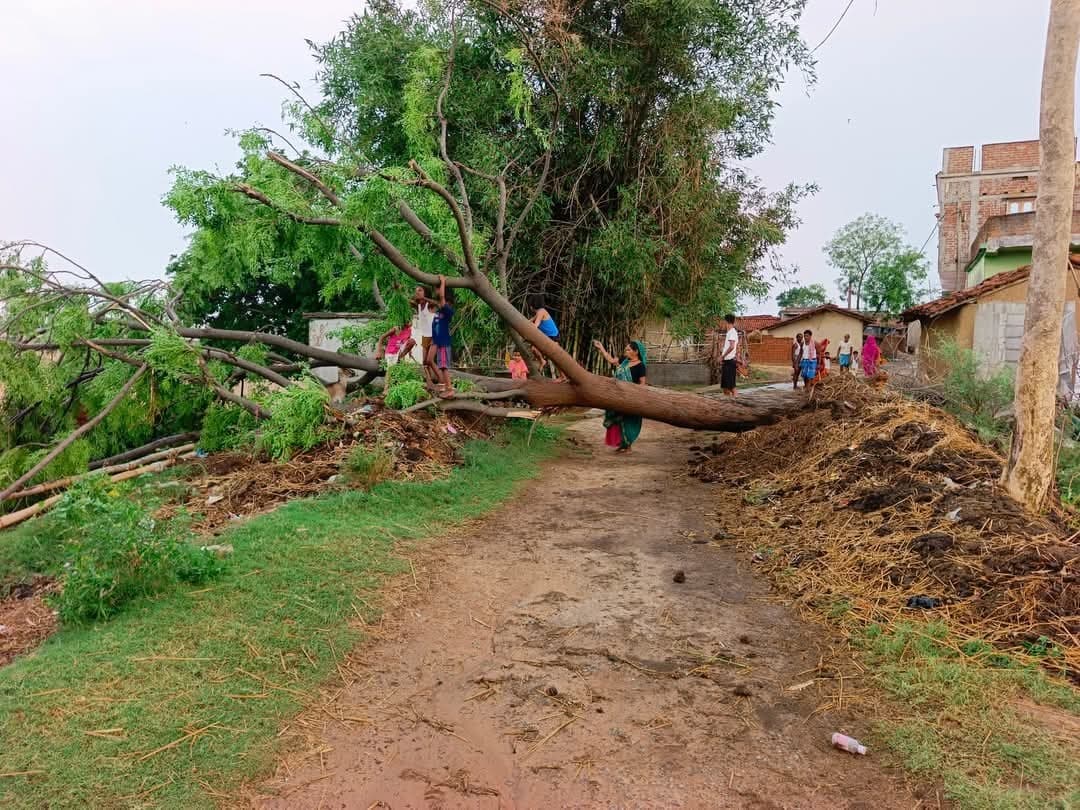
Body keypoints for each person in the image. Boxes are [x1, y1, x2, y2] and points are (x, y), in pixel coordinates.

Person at [592, 338, 647, 453]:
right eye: (625, 350)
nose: (625, 351)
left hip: (631, 397)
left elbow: (642, 384)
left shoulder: (640, 366)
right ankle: (621, 444)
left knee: (628, 420)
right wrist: (601, 347)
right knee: (617, 420)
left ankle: (628, 445)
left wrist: (637, 396)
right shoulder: (624, 361)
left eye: (628, 350)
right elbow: (611, 360)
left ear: (636, 351)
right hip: (618, 395)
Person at [427, 275, 455, 397]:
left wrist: (443, 282)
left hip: (443, 342)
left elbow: (442, 297)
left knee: (443, 366)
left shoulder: (448, 311)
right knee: (430, 360)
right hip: (436, 341)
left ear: (449, 303)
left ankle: (449, 389)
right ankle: (443, 383)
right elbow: (435, 327)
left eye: (445, 302)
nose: (442, 303)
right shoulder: (439, 312)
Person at [528, 294, 565, 380]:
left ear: (533, 305)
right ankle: (542, 361)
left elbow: (535, 325)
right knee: (534, 349)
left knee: (554, 357)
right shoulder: (539, 312)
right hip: (547, 337)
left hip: (553, 337)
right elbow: (530, 321)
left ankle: (563, 376)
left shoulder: (541, 312)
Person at [719, 313, 739, 397]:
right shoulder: (730, 332)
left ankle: (736, 402)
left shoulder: (732, 332)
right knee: (725, 387)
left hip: (730, 362)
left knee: (731, 387)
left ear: (726, 322)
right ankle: (728, 404)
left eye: (723, 322)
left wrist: (722, 356)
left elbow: (732, 346)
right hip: (727, 361)